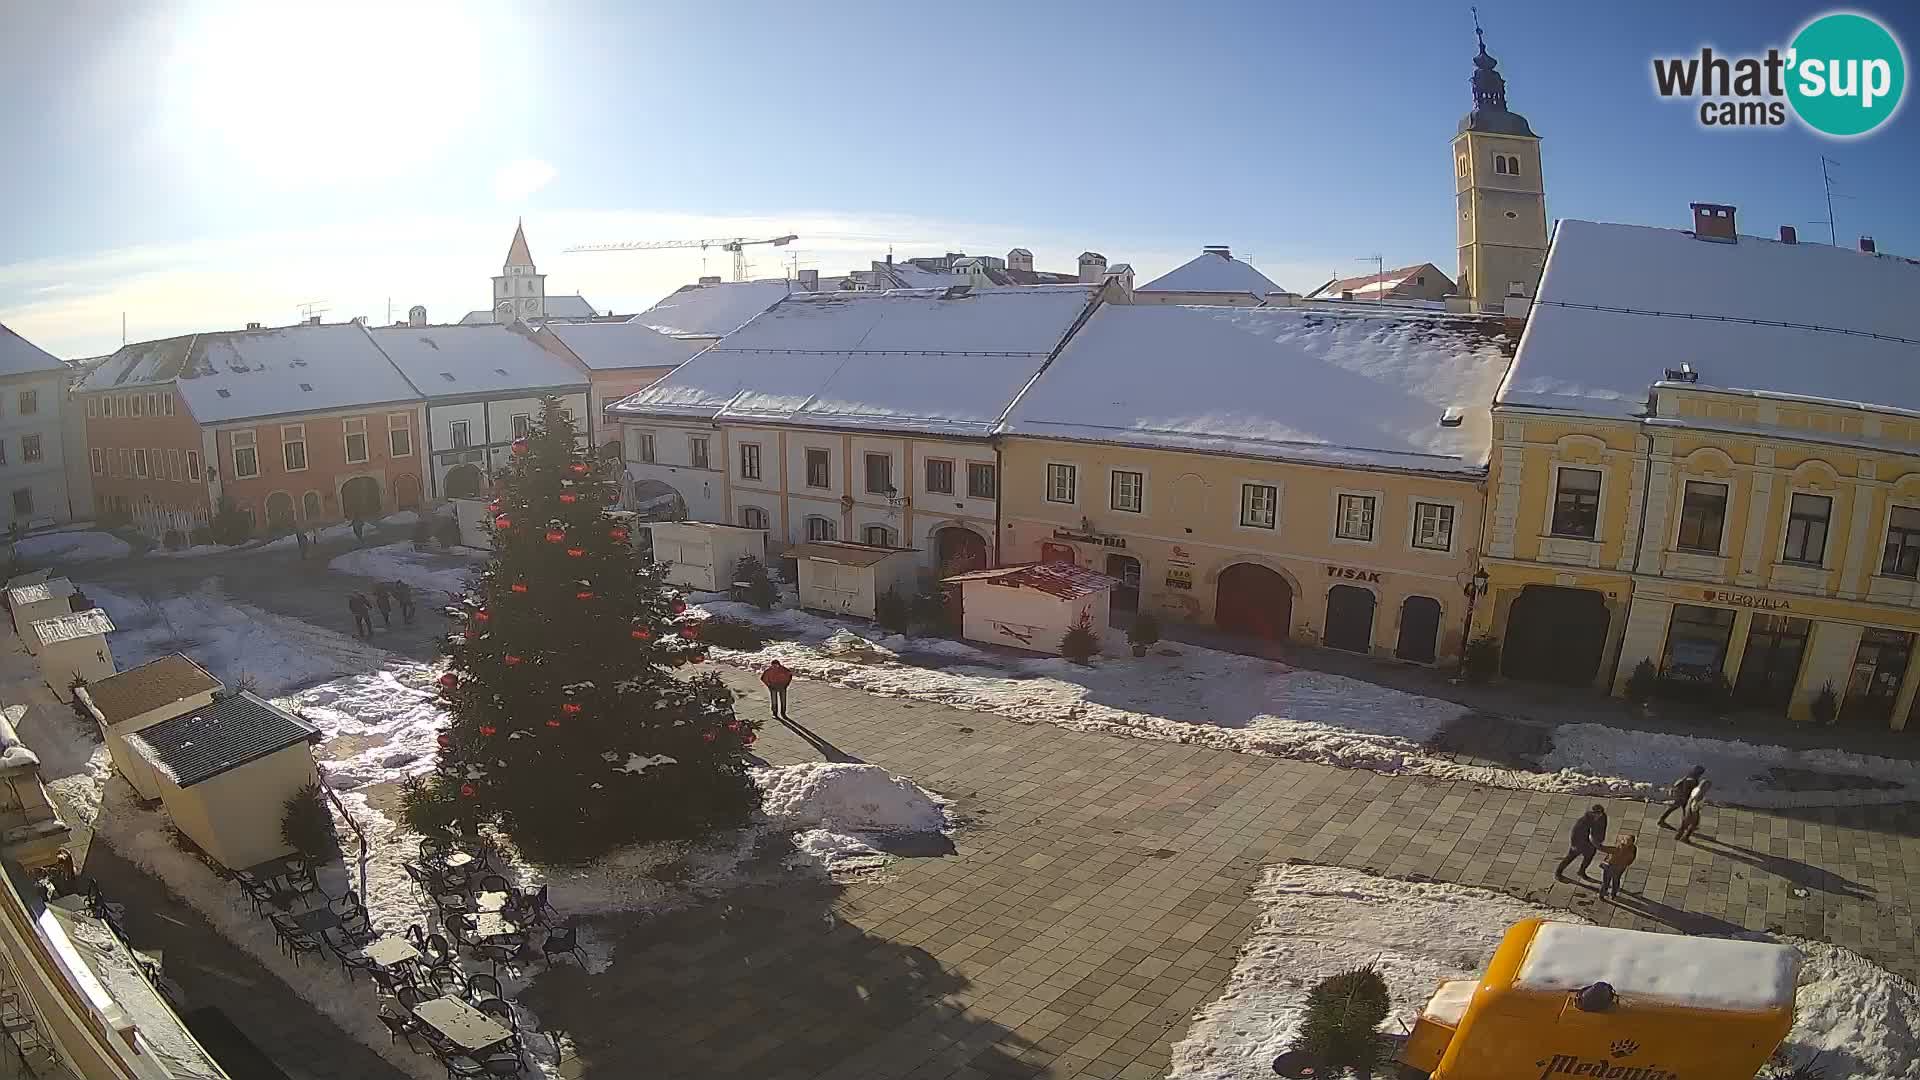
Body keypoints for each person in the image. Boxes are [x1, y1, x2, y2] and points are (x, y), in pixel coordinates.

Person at [1555, 804, 1608, 880]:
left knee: (1588, 859)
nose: (1598, 816)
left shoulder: (1603, 817)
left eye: (1599, 814)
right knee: (1569, 858)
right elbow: (1574, 832)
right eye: (1596, 814)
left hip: (1591, 845)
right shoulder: (1583, 821)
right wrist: (1574, 845)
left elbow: (1603, 829)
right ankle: (1558, 873)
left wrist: (1600, 840)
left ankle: (1581, 871)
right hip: (1579, 844)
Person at [1596, 834, 1637, 900]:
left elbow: (1604, 849)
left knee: (1606, 882)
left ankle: (1602, 895)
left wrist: (1596, 843)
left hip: (1610, 866)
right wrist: (1626, 864)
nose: (1624, 840)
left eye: (1626, 840)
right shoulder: (1633, 848)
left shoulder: (1618, 847)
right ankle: (1613, 894)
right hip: (1621, 867)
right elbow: (1632, 858)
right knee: (1616, 880)